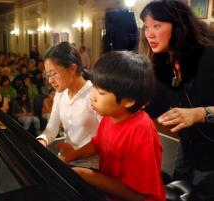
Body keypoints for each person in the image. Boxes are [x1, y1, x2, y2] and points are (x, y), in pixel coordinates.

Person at [60, 51, 165, 201]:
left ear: (129, 100)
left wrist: (85, 174)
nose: (92, 96)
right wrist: (69, 157)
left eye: (101, 92)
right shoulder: (110, 116)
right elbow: (97, 144)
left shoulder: (141, 128)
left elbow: (137, 194)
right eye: (94, 87)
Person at [139, 0, 214, 199]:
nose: (149, 33)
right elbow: (156, 106)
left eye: (157, 25)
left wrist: (198, 113)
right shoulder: (164, 62)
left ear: (179, 26)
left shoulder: (209, 55)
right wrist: (125, 104)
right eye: (146, 27)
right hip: (188, 150)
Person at [36, 42, 100, 154]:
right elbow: (52, 128)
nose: (50, 80)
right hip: (67, 158)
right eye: (48, 75)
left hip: (89, 163)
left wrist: (73, 155)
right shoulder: (60, 94)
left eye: (53, 74)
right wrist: (42, 140)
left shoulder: (93, 94)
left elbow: (104, 139)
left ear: (72, 69)